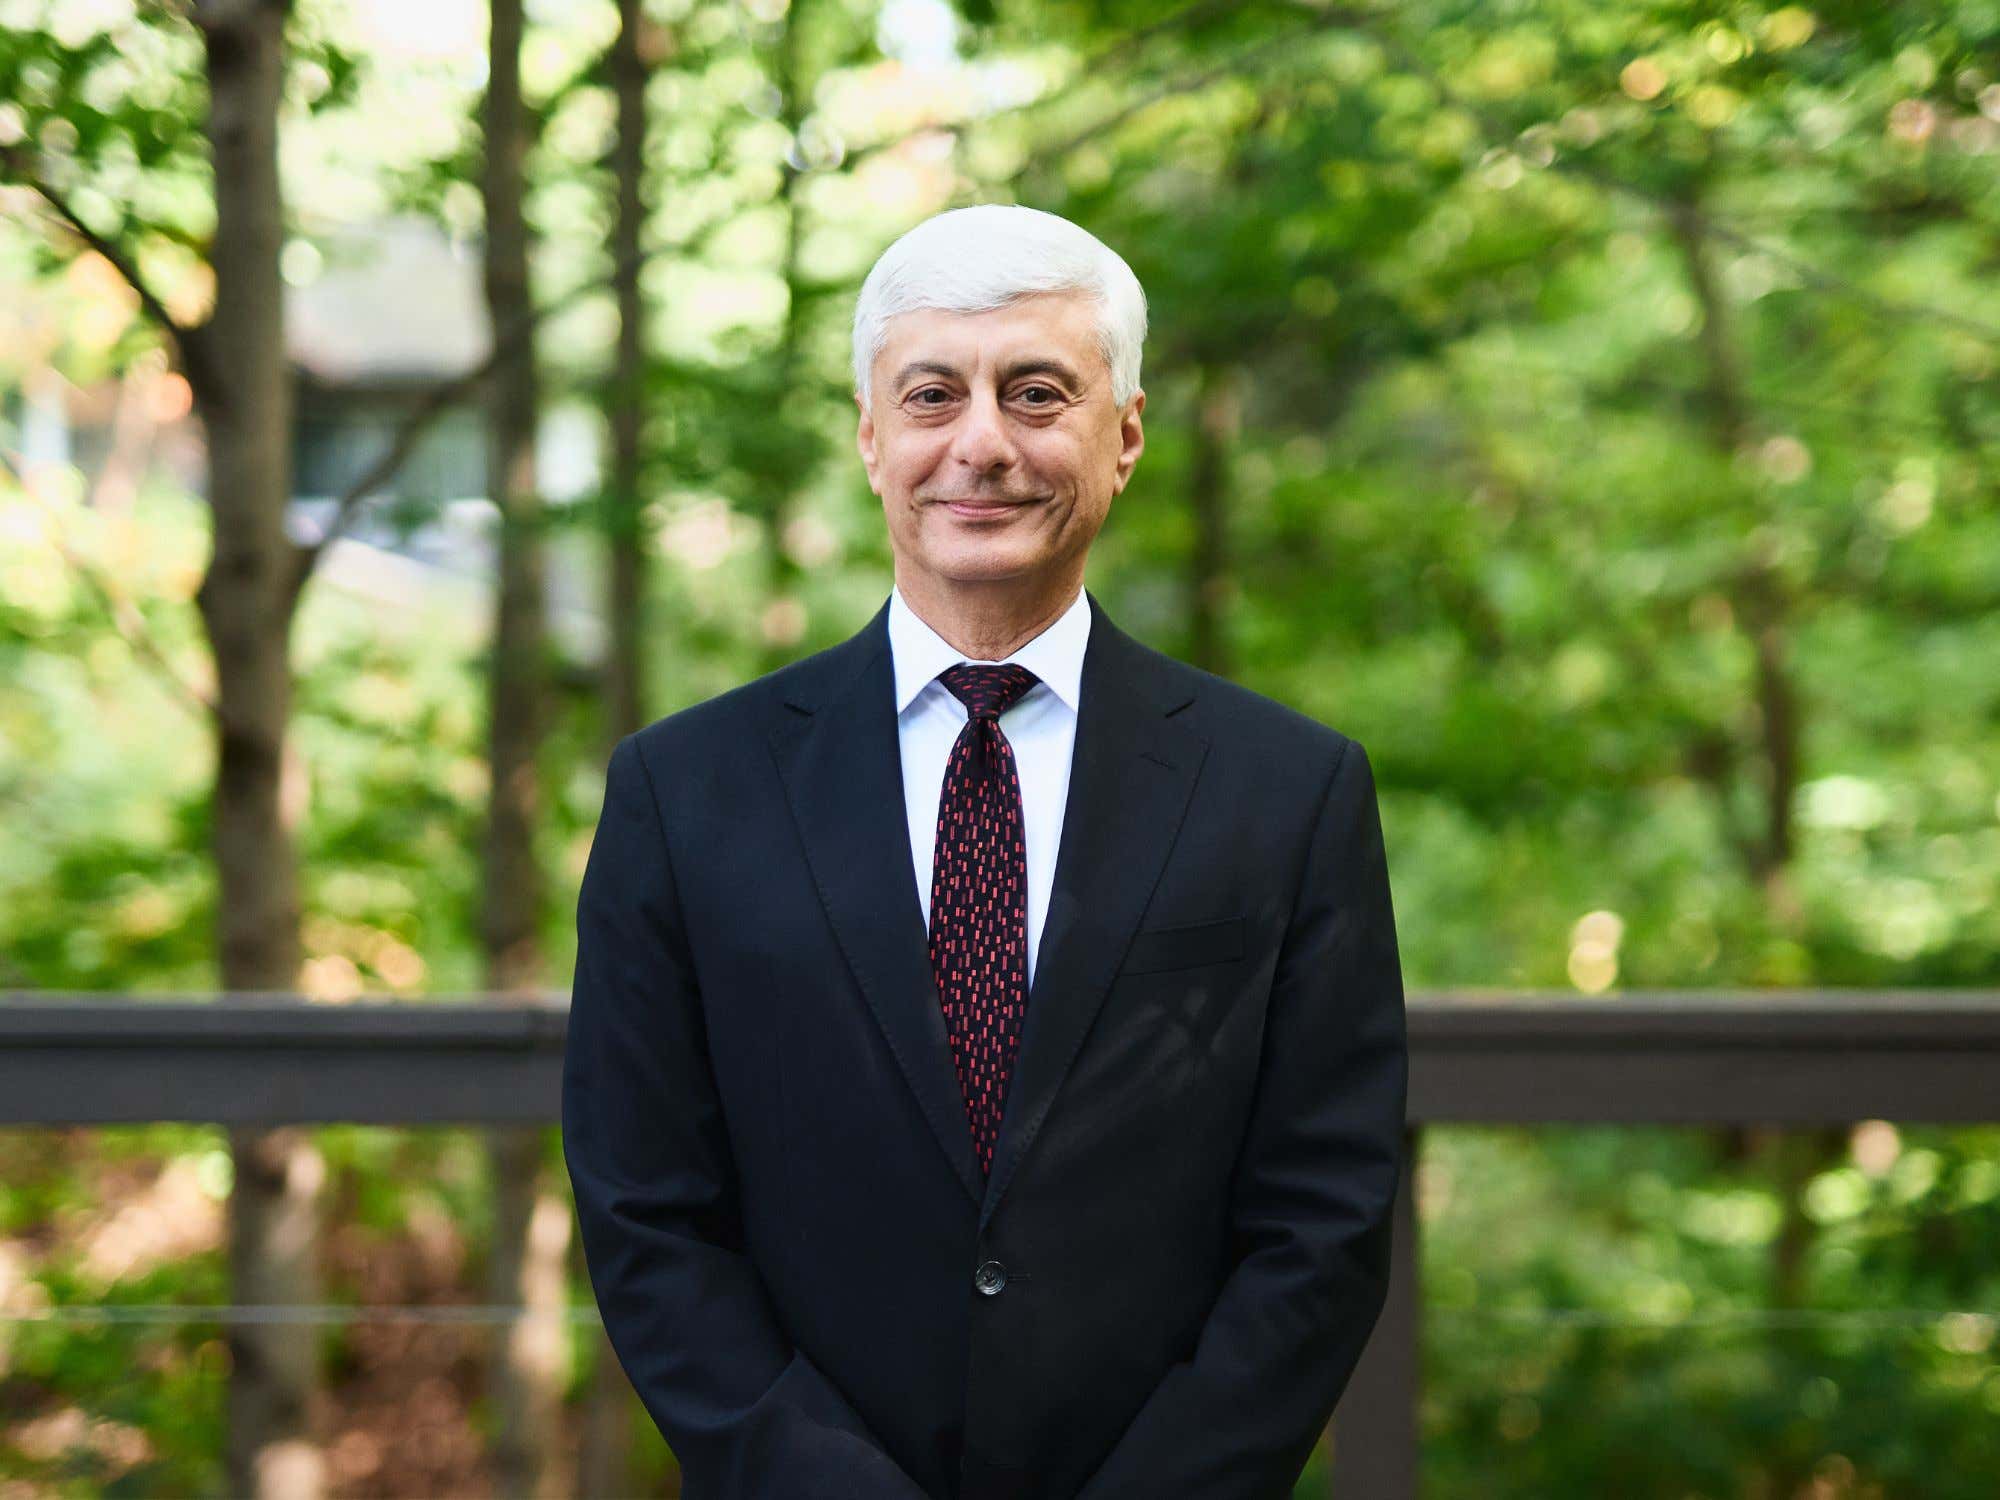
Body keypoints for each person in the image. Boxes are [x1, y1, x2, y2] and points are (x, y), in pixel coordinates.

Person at [561, 203, 1408, 1500]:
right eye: (932, 394)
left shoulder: (1290, 794)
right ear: (869, 437)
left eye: (1036, 394)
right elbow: (648, 1214)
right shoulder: (683, 794)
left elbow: (1326, 1218)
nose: (981, 445)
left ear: (1123, 436)